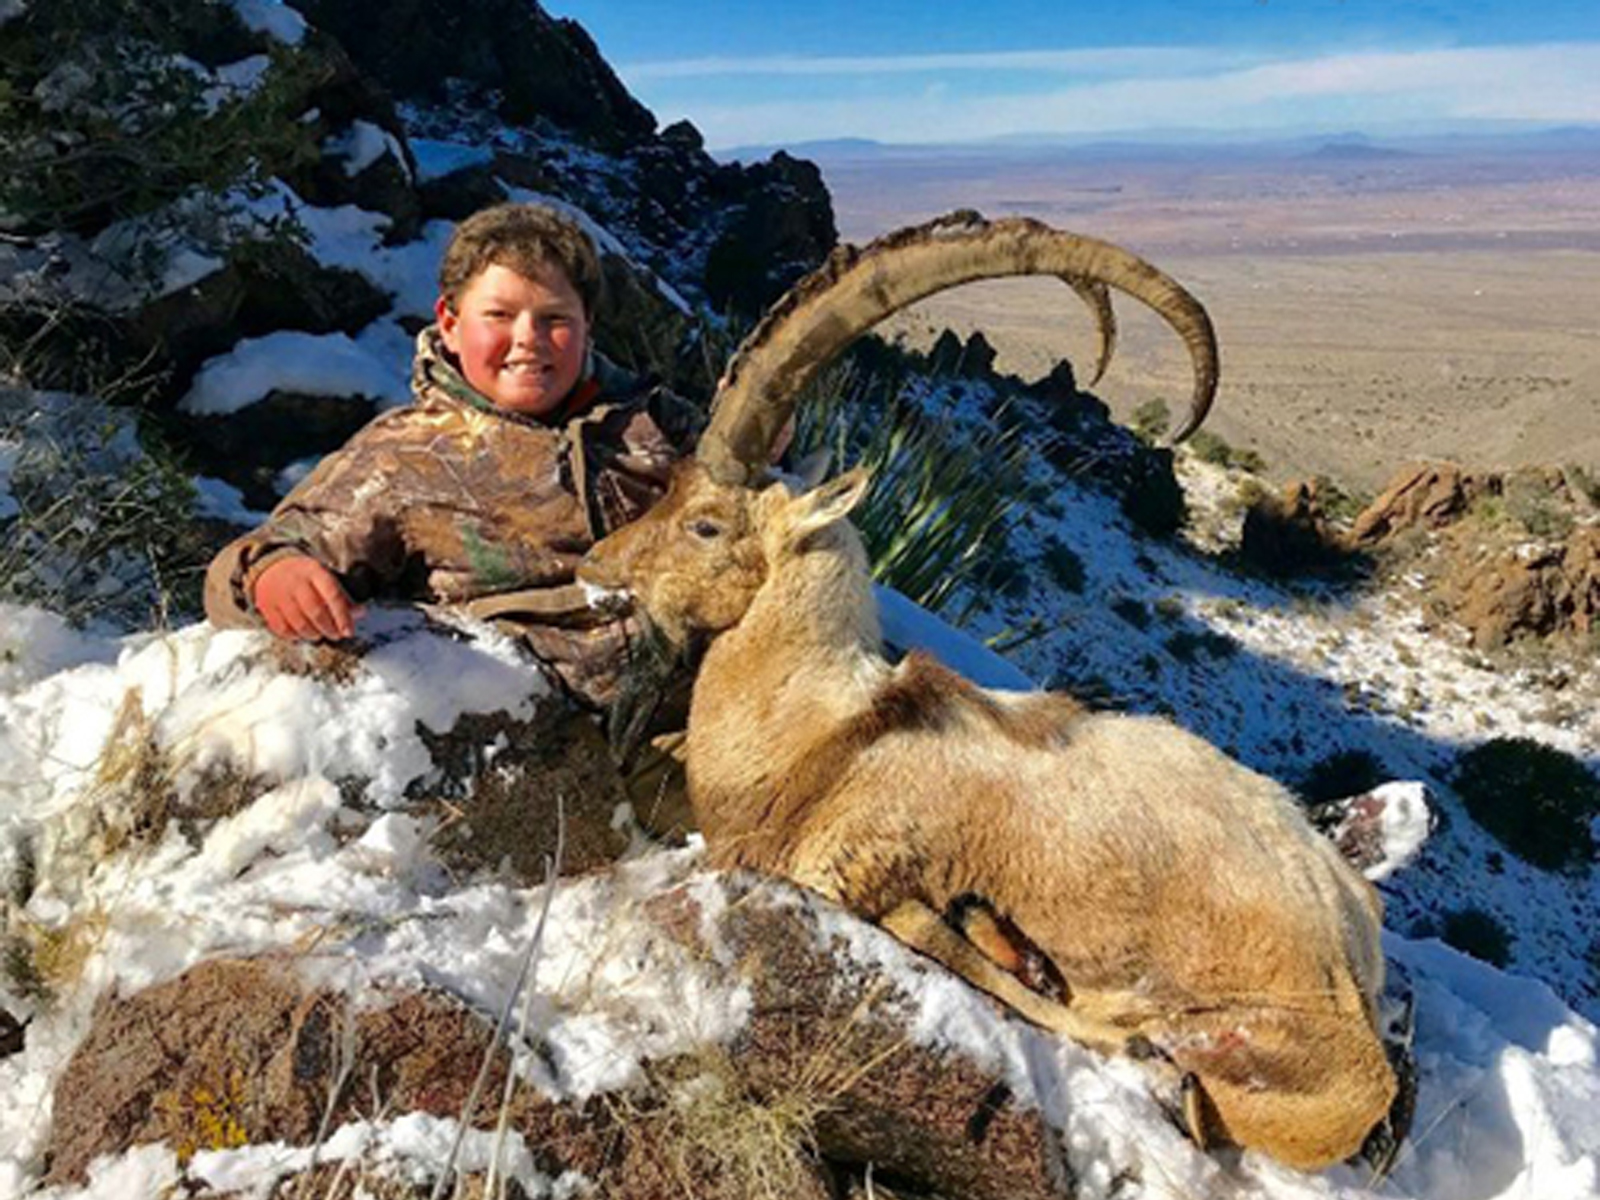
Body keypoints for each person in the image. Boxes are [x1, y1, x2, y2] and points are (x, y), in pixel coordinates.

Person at [204, 202, 701, 711]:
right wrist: (273, 572)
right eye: (499, 315)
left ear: (587, 325)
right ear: (450, 322)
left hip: (704, 712)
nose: (528, 338)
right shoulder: (402, 458)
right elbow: (256, 557)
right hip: (536, 730)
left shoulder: (658, 425)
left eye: (554, 318)